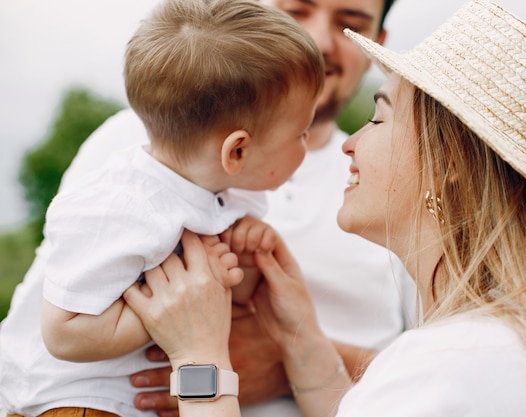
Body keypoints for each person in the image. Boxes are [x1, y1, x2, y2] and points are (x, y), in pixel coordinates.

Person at [125, 1, 526, 416]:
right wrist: (300, 339)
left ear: (447, 159)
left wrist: (199, 357)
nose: (351, 145)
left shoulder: (448, 361)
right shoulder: (518, 349)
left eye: (378, 118)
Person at [54, 1, 414, 417]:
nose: (317, 41)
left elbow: (441, 368)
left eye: (350, 25)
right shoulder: (132, 145)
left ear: (377, 43)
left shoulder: (397, 182)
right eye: (296, 11)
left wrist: (290, 359)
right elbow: (53, 314)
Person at [0, 0, 324, 416]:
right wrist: (165, 316)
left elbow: (216, 304)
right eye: (302, 132)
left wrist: (246, 261)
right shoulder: (119, 208)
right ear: (237, 150)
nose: (306, 143)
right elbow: (63, 334)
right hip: (66, 400)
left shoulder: (232, 193)